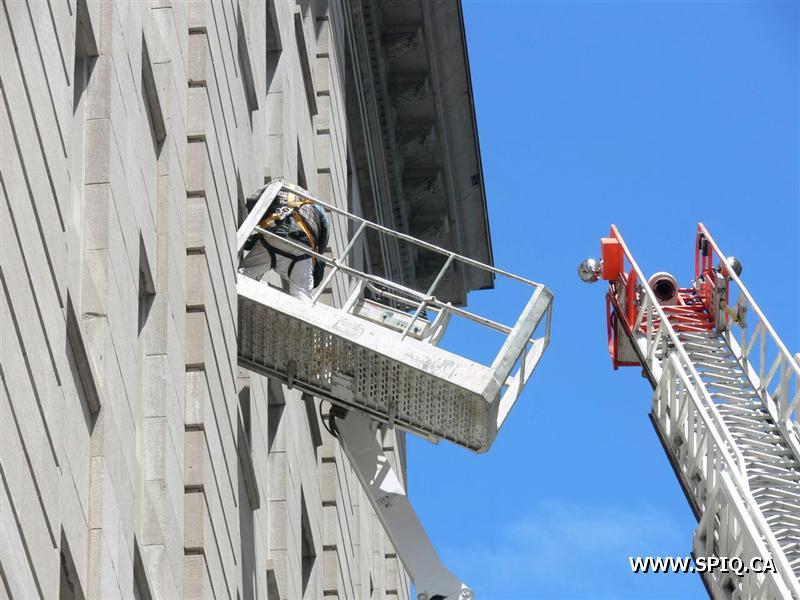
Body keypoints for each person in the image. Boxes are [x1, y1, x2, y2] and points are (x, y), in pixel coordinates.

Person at [239, 185, 329, 300]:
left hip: (273, 237)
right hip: (302, 250)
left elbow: (253, 200)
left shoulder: (280, 186)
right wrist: (315, 258)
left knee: (244, 276)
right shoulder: (317, 206)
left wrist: (255, 225)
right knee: (303, 296)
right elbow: (324, 237)